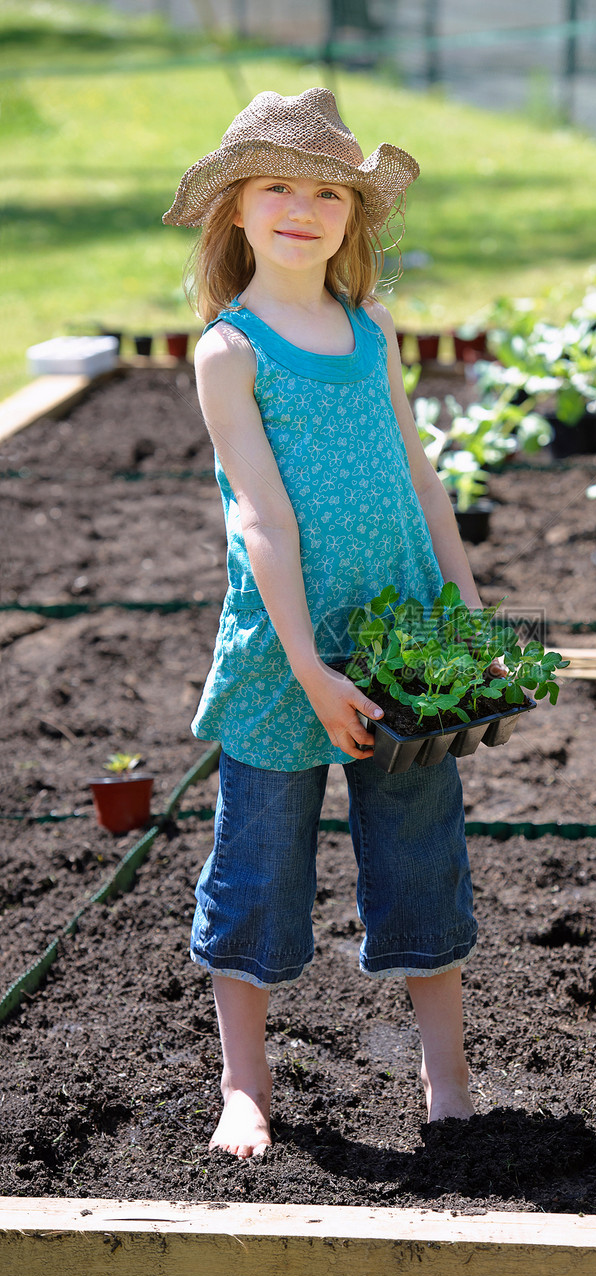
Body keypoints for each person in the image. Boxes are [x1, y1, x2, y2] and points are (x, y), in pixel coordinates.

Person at [163, 87, 495, 1159]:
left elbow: (420, 476)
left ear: (352, 216)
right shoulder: (231, 350)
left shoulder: (368, 332)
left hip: (399, 639)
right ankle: (244, 1088)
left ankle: (446, 1082)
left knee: (418, 852)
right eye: (276, 187)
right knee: (257, 862)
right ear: (236, 211)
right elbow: (257, 514)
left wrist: (466, 607)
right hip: (282, 652)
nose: (300, 208)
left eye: (324, 191)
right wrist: (306, 666)